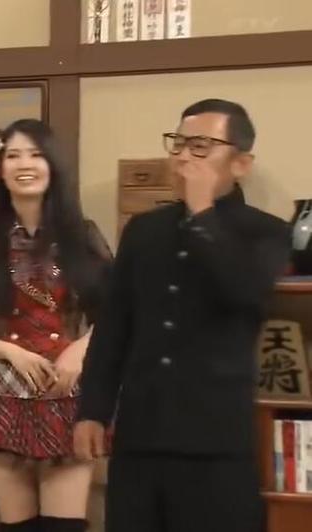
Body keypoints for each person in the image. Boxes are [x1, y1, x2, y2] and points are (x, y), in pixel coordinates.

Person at [74, 98, 292, 532]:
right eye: (178, 143)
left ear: (241, 164)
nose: (183, 157)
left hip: (216, 440)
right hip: (139, 435)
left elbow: (245, 293)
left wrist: (202, 213)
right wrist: (92, 410)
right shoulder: (143, 230)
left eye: (201, 146)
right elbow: (114, 327)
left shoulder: (266, 231)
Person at [0, 119, 112, 532]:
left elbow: (117, 315)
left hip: (68, 388)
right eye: (13, 155)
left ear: (53, 164)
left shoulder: (83, 235)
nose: (25, 164)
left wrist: (79, 351)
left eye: (36, 154)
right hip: (3, 388)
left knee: (63, 526)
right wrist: (10, 351)